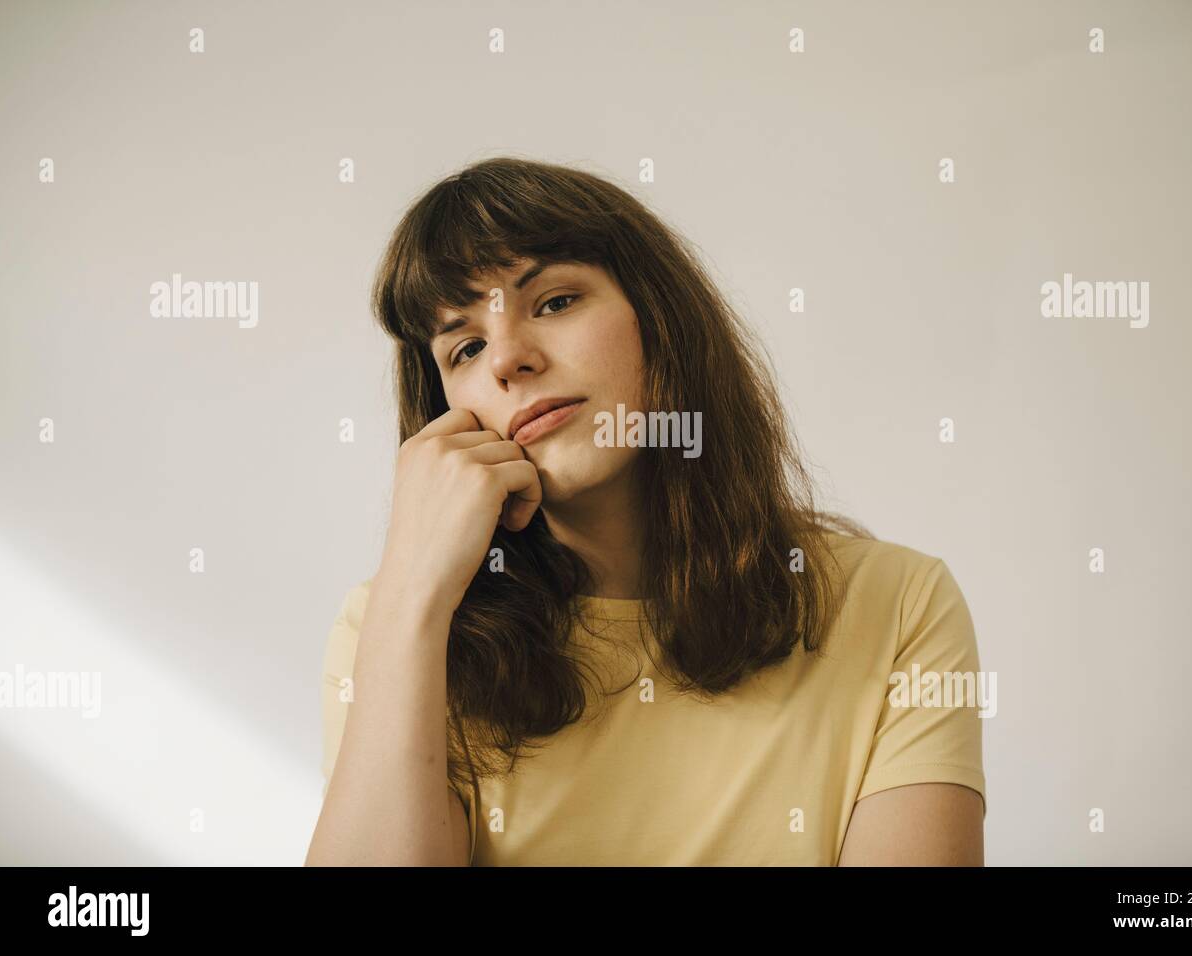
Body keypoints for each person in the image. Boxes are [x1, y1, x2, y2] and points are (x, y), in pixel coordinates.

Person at [304, 156, 986, 866]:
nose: (507, 358)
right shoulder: (388, 632)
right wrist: (412, 594)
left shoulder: (898, 607)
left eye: (555, 302)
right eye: (466, 346)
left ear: (660, 319)